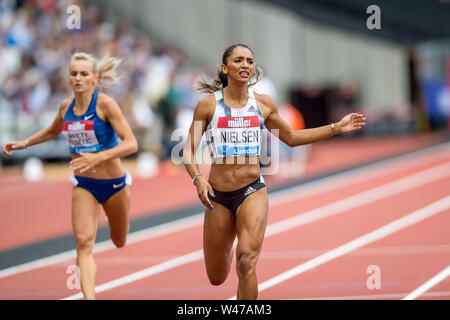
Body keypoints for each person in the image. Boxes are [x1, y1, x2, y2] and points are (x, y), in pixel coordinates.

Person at [183, 43, 366, 300]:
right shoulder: (208, 106)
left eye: (249, 60)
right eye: (238, 60)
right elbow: (187, 150)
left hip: (251, 190)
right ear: (225, 68)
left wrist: (335, 127)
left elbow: (290, 137)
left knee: (246, 261)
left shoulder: (263, 105)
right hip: (218, 195)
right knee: (216, 277)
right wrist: (198, 178)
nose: (245, 65)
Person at [2, 52, 138, 300]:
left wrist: (99, 157)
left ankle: (117, 222)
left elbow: (131, 144)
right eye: (73, 73)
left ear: (94, 78)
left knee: (119, 241)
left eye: (84, 74)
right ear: (68, 77)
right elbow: (53, 130)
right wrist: (25, 143)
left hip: (115, 184)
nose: (78, 78)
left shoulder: (105, 104)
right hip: (84, 183)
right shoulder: (66, 107)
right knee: (84, 243)